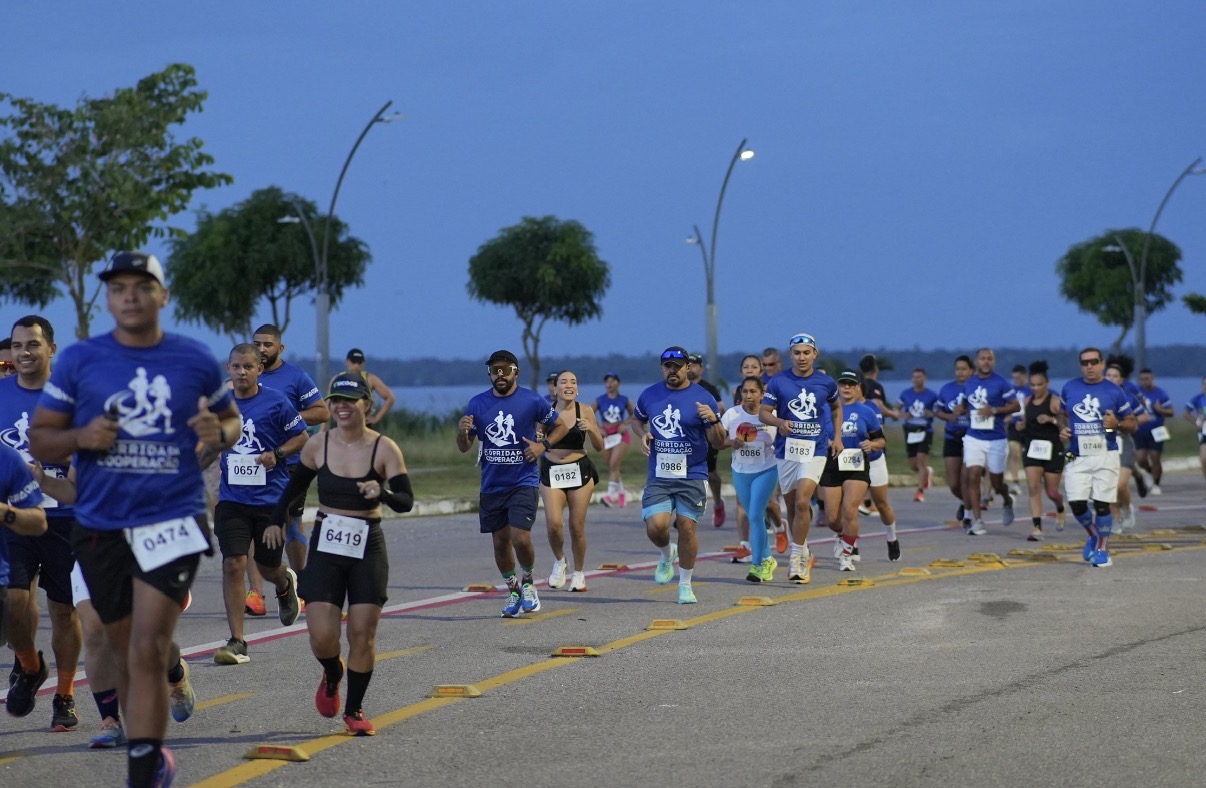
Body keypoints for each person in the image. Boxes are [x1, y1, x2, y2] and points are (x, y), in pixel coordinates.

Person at [29, 251, 241, 788]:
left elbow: (230, 420)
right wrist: (81, 437)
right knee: (124, 647)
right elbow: (42, 436)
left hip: (171, 519)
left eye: (141, 286)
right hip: (101, 524)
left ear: (161, 296)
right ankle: (153, 743)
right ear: (107, 298)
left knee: (147, 644)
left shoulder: (193, 358)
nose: (129, 295)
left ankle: (144, 764)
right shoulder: (80, 361)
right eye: (118, 287)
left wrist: (222, 435)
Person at [270, 372, 411, 736]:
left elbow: (406, 501)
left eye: (350, 400)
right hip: (328, 543)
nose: (342, 407)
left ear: (367, 404)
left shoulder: (384, 448)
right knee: (322, 637)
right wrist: (274, 522)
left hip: (368, 542)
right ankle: (333, 672)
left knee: (363, 632)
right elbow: (292, 492)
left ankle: (354, 710)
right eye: (336, 401)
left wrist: (380, 494)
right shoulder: (319, 446)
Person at [0, 316, 84, 730]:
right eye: (17, 346)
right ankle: (31, 666)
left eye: (32, 345)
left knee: (64, 612)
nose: (24, 353)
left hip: (64, 518)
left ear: (51, 349)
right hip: (13, 521)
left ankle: (65, 695)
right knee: (15, 602)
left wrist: (48, 467)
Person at [206, 344, 308, 665]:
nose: (241, 373)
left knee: (266, 566)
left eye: (248, 367)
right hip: (232, 500)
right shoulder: (220, 407)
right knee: (233, 563)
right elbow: (211, 446)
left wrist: (277, 454)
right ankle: (237, 640)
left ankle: (283, 582)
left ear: (259, 370)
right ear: (228, 369)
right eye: (236, 367)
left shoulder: (277, 402)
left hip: (270, 502)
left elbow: (302, 438)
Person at [457, 350, 566, 617]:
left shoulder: (532, 400)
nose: (500, 375)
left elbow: (561, 426)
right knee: (500, 542)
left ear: (516, 371)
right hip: (492, 485)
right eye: (495, 370)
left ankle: (528, 582)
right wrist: (462, 432)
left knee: (520, 538)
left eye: (505, 369)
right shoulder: (477, 403)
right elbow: (464, 447)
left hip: (523, 480)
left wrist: (543, 446)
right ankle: (514, 589)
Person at [632, 346, 725, 604]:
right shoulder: (650, 395)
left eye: (678, 365)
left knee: (686, 528)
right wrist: (643, 434)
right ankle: (666, 553)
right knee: (657, 527)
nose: (672, 370)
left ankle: (685, 584)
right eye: (667, 366)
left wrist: (714, 420)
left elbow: (718, 442)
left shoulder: (702, 397)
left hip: (692, 473)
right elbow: (636, 420)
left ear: (687, 368)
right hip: (659, 473)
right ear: (663, 368)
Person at [760, 333, 842, 584]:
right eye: (797, 353)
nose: (802, 357)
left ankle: (797, 557)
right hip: (787, 450)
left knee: (804, 500)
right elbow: (764, 413)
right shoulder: (778, 382)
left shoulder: (826, 382)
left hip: (815, 449)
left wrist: (837, 437)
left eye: (807, 352)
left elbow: (837, 408)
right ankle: (803, 548)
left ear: (815, 354)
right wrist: (779, 422)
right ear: (791, 356)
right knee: (794, 506)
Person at [1059, 348, 1135, 568]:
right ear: (1080, 365)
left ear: (1102, 364)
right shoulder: (1070, 387)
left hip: (1105, 454)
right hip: (1077, 454)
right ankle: (1093, 535)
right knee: (1076, 503)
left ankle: (1102, 550)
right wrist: (1062, 428)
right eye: (1085, 363)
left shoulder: (1114, 391)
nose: (1089, 366)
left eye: (1094, 362)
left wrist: (1117, 424)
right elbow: (1062, 415)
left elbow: (1131, 423)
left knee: (1102, 505)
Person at [541, 371, 603, 593]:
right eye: (563, 382)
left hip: (579, 469)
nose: (569, 385)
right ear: (554, 388)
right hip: (552, 470)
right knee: (553, 524)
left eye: (573, 382)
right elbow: (536, 436)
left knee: (577, 527)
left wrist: (592, 429)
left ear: (577, 388)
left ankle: (579, 573)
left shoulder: (585, 410)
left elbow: (599, 446)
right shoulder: (544, 410)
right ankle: (559, 561)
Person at [819, 369, 885, 572]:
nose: (846, 388)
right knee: (831, 518)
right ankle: (842, 536)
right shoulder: (827, 409)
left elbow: (881, 440)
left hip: (856, 463)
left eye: (851, 384)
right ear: (838, 387)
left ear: (858, 388)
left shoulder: (866, 411)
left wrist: (871, 445)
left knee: (849, 509)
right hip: (832, 463)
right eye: (843, 384)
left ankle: (847, 553)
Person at [0, 444, 49, 706]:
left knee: (15, 619)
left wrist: (6, 513)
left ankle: (31, 667)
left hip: (4, 566)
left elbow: (38, 522)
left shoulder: (6, 457)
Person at [720, 375, 778, 582]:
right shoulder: (731, 415)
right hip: (741, 471)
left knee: (754, 515)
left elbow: (784, 437)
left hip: (767, 469)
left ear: (762, 394)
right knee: (756, 518)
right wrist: (731, 442)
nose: (748, 395)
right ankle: (768, 559)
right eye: (745, 392)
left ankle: (757, 565)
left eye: (753, 391)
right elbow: (718, 440)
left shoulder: (771, 415)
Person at [955, 348, 1018, 535]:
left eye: (990, 358)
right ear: (976, 361)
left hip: (996, 439)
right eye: (982, 358)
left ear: (994, 362)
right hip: (974, 437)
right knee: (972, 475)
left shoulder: (1001, 383)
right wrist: (961, 409)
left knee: (997, 484)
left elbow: (1016, 405)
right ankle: (978, 521)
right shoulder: (969, 382)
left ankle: (1007, 500)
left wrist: (995, 410)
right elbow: (965, 403)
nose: (986, 361)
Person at [1017, 361, 1065, 541]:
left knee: (1051, 492)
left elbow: (1065, 425)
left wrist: (1051, 420)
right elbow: (1024, 421)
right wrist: (1021, 425)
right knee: (1033, 487)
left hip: (1053, 449)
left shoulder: (1054, 401)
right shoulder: (1027, 401)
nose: (1036, 388)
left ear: (1047, 384)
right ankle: (1037, 527)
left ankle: (1060, 506)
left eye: (1039, 384)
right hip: (1033, 449)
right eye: (1032, 385)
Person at [1106, 359, 1146, 533]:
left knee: (1120, 485)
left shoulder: (1129, 398)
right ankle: (1115, 518)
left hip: (1124, 442)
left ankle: (1127, 509)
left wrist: (1128, 423)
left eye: (1115, 376)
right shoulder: (1096, 398)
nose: (1111, 378)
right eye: (1108, 375)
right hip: (1105, 443)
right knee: (1107, 485)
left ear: (1121, 380)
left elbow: (1144, 417)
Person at [686, 353, 726, 527]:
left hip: (707, 437)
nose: (691, 368)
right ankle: (685, 510)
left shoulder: (709, 389)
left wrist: (714, 426)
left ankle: (718, 502)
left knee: (711, 474)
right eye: (689, 364)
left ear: (701, 368)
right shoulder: (680, 387)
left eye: (695, 365)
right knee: (684, 472)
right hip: (687, 438)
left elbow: (721, 409)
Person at [934, 355, 973, 523]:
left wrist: (968, 412)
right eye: (958, 369)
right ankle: (966, 501)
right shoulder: (947, 389)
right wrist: (949, 417)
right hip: (952, 436)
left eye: (964, 369)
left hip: (972, 437)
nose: (960, 372)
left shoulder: (977, 388)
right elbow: (938, 410)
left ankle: (969, 513)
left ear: (971, 370)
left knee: (966, 477)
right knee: (953, 483)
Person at [897, 367, 937, 503]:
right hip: (910, 430)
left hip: (925, 430)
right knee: (913, 464)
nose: (916, 379)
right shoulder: (905, 394)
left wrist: (932, 414)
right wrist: (903, 415)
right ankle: (927, 472)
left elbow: (939, 411)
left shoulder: (931, 395)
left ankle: (919, 492)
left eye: (919, 377)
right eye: (914, 377)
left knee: (921, 459)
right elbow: (895, 411)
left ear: (924, 378)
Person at [595, 373, 634, 508]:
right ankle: (622, 493)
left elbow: (635, 414)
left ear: (618, 383)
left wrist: (625, 423)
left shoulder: (624, 399)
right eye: (607, 381)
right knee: (613, 467)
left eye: (612, 381)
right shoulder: (600, 400)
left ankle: (609, 496)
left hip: (620, 434)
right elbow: (587, 414)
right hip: (606, 435)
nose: (609, 384)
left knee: (613, 464)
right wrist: (598, 427)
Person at [1134, 368, 1174, 495]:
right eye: (1142, 379)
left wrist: (1160, 409)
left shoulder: (1161, 393)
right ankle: (1150, 472)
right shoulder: (1137, 393)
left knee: (1155, 457)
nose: (1144, 382)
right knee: (1141, 459)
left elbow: (1171, 412)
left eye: (1147, 379)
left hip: (1157, 429)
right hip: (1141, 430)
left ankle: (1156, 483)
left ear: (1152, 379)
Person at [334, 348, 395, 428]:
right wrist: (323, 430)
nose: (356, 365)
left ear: (363, 363)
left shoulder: (370, 379)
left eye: (359, 362)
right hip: (343, 424)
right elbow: (327, 404)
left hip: (364, 425)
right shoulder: (338, 379)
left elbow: (390, 398)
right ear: (346, 361)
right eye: (353, 361)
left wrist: (376, 418)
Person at [1006, 364, 1031, 494]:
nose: (1016, 380)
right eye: (1014, 378)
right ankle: (1015, 482)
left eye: (1019, 377)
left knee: (1029, 456)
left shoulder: (1032, 389)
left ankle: (1034, 479)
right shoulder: (1011, 391)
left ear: (1025, 376)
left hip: (1029, 427)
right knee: (1014, 452)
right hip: (1014, 427)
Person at [1183, 375, 1206, 486]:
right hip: (1204, 432)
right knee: (1204, 459)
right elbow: (1186, 413)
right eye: (1205, 384)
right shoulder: (1198, 399)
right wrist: (1196, 421)